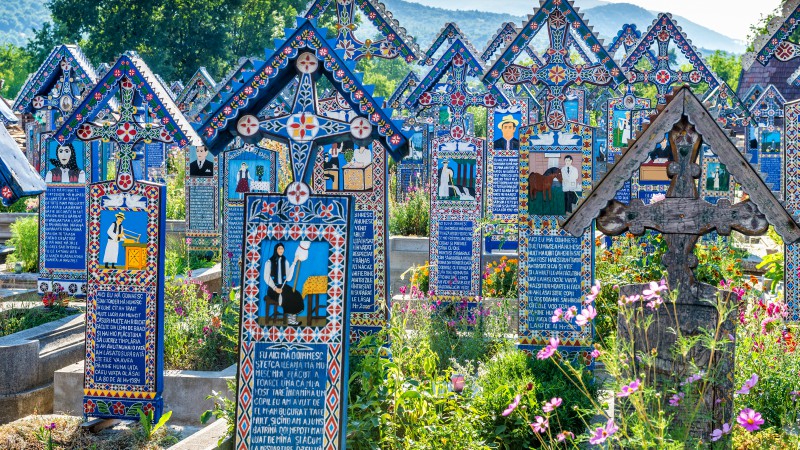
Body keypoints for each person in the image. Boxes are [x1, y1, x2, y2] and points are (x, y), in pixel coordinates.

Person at [261, 243, 304, 326]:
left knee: (296, 295)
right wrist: (275, 288)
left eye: (282, 249)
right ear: (276, 250)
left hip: (283, 287)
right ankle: (289, 320)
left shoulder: (286, 262)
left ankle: (291, 320)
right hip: (273, 288)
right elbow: (266, 277)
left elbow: (288, 278)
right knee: (287, 297)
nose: (281, 250)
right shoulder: (269, 262)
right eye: (279, 248)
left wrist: (294, 263)